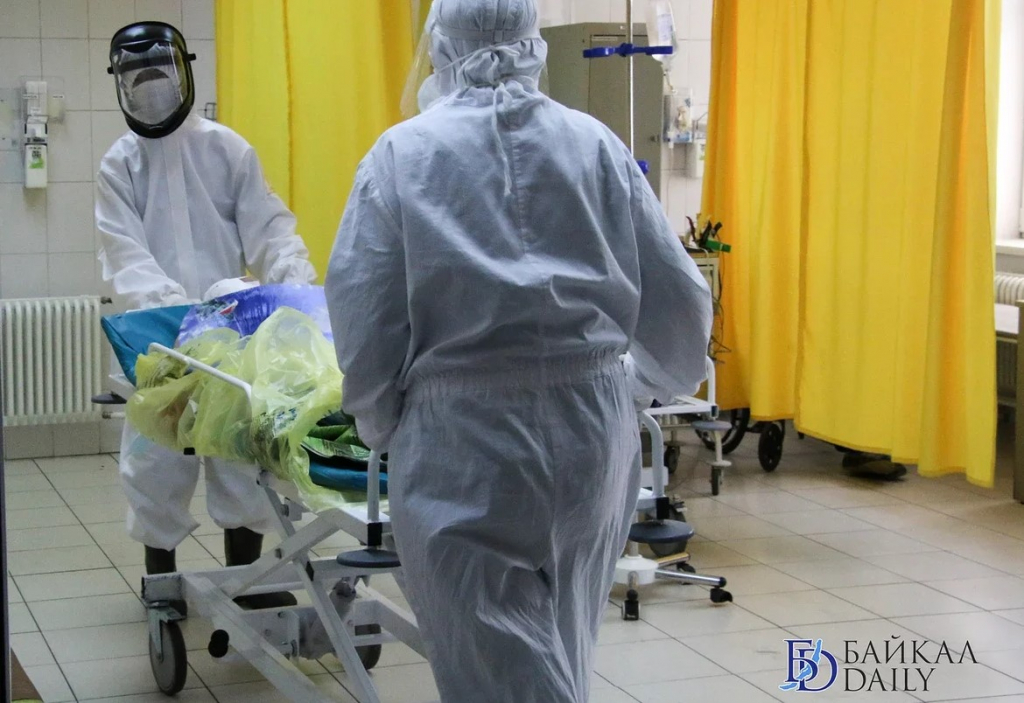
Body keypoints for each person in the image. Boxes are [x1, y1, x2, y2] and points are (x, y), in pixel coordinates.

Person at [324, 0, 713, 699]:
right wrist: (633, 387)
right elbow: (682, 306)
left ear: (442, 42)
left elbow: (364, 311)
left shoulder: (402, 155)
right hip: (592, 434)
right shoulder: (595, 145)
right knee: (562, 642)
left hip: (464, 447)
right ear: (533, 42)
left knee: (491, 672)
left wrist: (382, 422)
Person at [96, 21, 317, 606]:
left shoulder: (227, 149)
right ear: (118, 82)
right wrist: (181, 318)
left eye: (158, 71)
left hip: (232, 336)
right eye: (135, 75)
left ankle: (243, 584)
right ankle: (161, 584)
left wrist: (297, 292)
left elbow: (271, 231)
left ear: (183, 70)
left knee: (239, 459)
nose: (150, 86)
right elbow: (126, 256)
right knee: (155, 465)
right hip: (160, 342)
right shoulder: (120, 164)